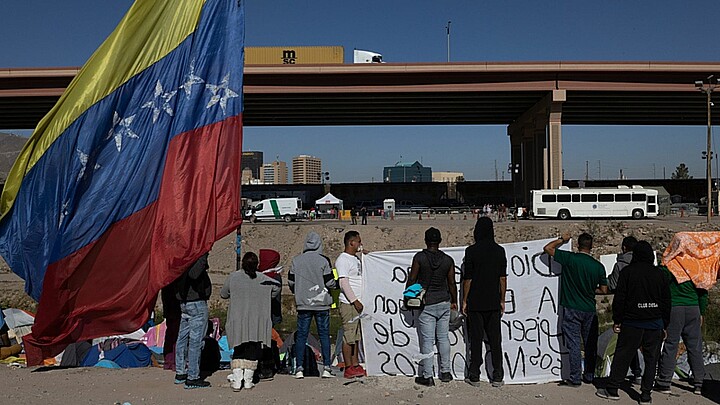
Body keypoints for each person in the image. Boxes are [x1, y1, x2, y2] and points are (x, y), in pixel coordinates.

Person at [595, 241, 670, 403]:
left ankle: (613, 389)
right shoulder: (660, 274)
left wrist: (617, 320)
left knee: (622, 356)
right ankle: (645, 395)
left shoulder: (628, 272)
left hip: (632, 323)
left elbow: (620, 299)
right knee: (651, 361)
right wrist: (665, 324)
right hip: (654, 323)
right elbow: (666, 302)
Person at [544, 232, 608, 387]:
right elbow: (604, 290)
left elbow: (547, 248)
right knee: (590, 344)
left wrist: (562, 239)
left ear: (578, 245)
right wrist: (590, 290)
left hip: (571, 308)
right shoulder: (598, 267)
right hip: (589, 309)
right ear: (591, 247)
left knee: (573, 343)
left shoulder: (570, 259)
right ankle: (589, 376)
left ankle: (575, 378)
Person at [221, 252, 281, 391]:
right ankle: (248, 380)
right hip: (257, 321)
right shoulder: (263, 279)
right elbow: (277, 286)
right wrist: (266, 295)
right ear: (257, 265)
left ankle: (237, 380)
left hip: (238, 320)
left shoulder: (233, 277)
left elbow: (224, 294)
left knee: (238, 349)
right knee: (253, 350)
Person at [406, 227, 458, 386]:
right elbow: (451, 283)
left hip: (427, 303)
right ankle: (446, 372)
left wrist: (407, 297)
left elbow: (412, 279)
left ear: (426, 241)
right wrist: (454, 301)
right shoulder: (448, 260)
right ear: (440, 241)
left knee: (427, 341)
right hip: (444, 302)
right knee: (443, 338)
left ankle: (427, 376)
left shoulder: (420, 258)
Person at [462, 217, 506, 388]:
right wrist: (502, 299)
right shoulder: (499, 251)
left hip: (476, 302)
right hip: (493, 302)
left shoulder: (471, 251)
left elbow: (468, 278)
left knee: (476, 339)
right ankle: (497, 375)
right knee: (495, 341)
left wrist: (465, 300)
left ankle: (474, 375)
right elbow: (502, 279)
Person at [288, 231, 337, 379]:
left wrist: (299, 292)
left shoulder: (297, 260)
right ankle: (327, 367)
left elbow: (291, 282)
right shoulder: (323, 260)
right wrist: (335, 285)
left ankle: (299, 368)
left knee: (302, 336)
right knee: (324, 336)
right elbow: (330, 282)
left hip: (303, 304)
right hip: (322, 304)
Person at [654, 264, 708, 395]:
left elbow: (661, 281)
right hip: (693, 307)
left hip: (674, 307)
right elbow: (703, 291)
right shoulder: (696, 266)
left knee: (671, 344)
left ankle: (664, 382)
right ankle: (699, 383)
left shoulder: (670, 266)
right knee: (695, 346)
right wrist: (701, 311)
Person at [606, 236, 642, 383]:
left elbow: (613, 285)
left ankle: (616, 381)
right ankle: (639, 374)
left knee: (625, 343)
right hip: (644, 308)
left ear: (625, 248)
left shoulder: (620, 265)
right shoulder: (643, 264)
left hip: (627, 308)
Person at [174, 252, 212, 389]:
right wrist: (203, 255)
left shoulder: (180, 258)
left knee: (182, 338)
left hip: (184, 303)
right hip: (195, 302)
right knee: (196, 340)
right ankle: (193, 377)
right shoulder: (193, 259)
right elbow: (194, 274)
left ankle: (180, 372)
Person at [335, 231, 366, 379]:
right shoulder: (343, 260)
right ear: (351, 242)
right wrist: (355, 300)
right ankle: (348, 367)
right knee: (348, 336)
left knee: (356, 337)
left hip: (358, 304)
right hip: (349, 304)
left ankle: (355, 363)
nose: (360, 244)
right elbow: (343, 282)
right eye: (358, 242)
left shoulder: (356, 259)